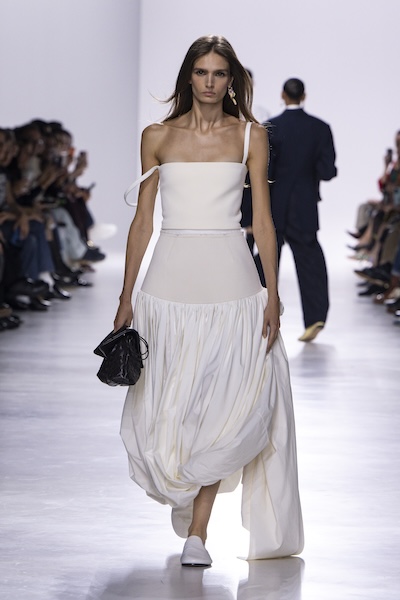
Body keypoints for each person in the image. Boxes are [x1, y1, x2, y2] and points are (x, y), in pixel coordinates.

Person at [114, 35, 304, 567]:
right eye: (201, 72)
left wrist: (272, 294)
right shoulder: (157, 136)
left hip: (233, 287)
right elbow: (143, 221)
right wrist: (126, 295)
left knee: (225, 408)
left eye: (220, 73)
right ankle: (185, 492)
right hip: (168, 287)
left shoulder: (250, 136)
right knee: (172, 407)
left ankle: (198, 532)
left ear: (231, 80)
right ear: (188, 77)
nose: (210, 82)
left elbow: (262, 221)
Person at [268, 78, 337, 342]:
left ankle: (258, 316)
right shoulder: (320, 128)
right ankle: (315, 318)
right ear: (304, 96)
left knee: (266, 263)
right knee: (311, 263)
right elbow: (327, 171)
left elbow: (265, 171)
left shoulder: (270, 128)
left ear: (283, 95)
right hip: (305, 205)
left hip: (275, 205)